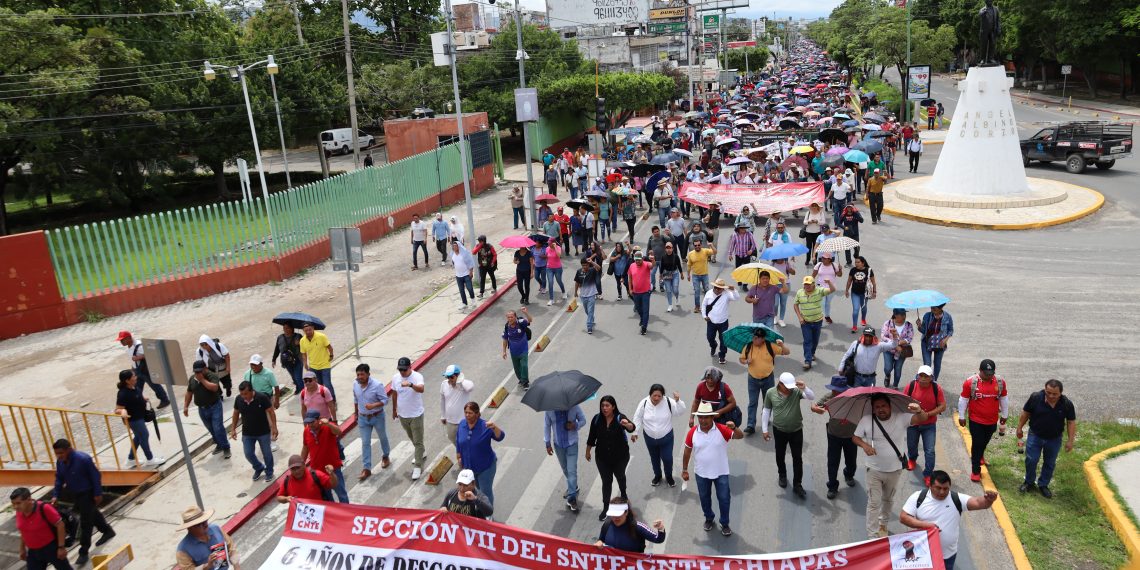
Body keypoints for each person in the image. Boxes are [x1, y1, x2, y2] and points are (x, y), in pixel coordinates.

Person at [852, 395, 932, 538]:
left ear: (890, 406)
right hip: (873, 470)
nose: (881, 409)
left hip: (895, 470)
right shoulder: (866, 420)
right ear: (873, 409)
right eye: (877, 407)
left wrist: (919, 410)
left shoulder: (901, 418)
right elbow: (855, 437)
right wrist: (864, 445)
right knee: (874, 503)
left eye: (883, 406)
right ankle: (872, 535)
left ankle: (883, 524)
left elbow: (923, 418)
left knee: (888, 500)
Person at [900, 471, 999, 570]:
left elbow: (978, 503)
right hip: (923, 555)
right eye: (938, 488)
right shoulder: (918, 497)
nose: (942, 492)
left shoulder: (956, 498)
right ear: (930, 486)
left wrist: (988, 500)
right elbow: (904, 517)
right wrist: (926, 526)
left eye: (945, 489)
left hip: (947, 556)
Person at [682, 401, 744, 537]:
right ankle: (709, 518)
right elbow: (687, 451)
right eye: (701, 417)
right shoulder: (692, 432)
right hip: (701, 473)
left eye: (706, 417)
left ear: (712, 417)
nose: (703, 420)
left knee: (724, 498)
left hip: (721, 472)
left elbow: (740, 436)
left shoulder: (722, 429)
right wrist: (685, 470)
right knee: (704, 498)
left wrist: (734, 428)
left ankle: (725, 523)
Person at [52, 439, 115, 567]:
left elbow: (95, 476)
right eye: (57, 454)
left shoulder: (83, 459)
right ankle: (107, 531)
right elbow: (59, 478)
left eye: (61, 453)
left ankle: (83, 551)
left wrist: (98, 493)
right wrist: (55, 495)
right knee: (92, 513)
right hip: (75, 493)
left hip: (88, 493)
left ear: (69, 450)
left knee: (86, 522)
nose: (59, 456)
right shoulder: (60, 462)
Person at [1017, 379, 1077, 498]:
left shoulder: (1066, 404)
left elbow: (1071, 422)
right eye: (1048, 392)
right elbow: (1026, 413)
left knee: (1050, 463)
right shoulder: (1035, 398)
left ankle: (1043, 485)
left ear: (1060, 393)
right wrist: (1019, 428)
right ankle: (1028, 482)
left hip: (1054, 439)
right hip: (1035, 435)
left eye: (1054, 394)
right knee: (1031, 459)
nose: (1051, 396)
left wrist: (1070, 441)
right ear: (1045, 390)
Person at [761, 373, 816, 498]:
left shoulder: (796, 391)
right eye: (787, 386)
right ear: (780, 384)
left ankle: (797, 484)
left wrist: (805, 388)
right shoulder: (770, 393)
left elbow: (811, 397)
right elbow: (766, 411)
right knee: (780, 455)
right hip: (779, 430)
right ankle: (782, 475)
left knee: (797, 458)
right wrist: (765, 430)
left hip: (796, 430)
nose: (790, 389)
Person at [585, 395, 636, 521]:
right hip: (602, 458)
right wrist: (588, 451)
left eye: (607, 405)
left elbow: (632, 428)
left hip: (620, 457)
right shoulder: (597, 419)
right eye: (602, 405)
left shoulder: (620, 417)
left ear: (613, 407)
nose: (604, 408)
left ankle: (623, 495)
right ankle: (606, 507)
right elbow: (592, 437)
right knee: (606, 482)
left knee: (620, 476)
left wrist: (627, 424)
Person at [958, 358, 1008, 483]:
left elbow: (1004, 398)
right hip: (976, 420)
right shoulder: (970, 382)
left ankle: (980, 454)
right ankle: (975, 470)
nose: (989, 376)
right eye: (986, 374)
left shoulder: (1000, 382)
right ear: (980, 371)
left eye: (991, 374)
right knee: (977, 443)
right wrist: (961, 416)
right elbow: (963, 400)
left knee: (985, 441)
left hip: (992, 420)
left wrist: (1005, 415)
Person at [811, 375, 859, 499]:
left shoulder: (854, 398)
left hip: (851, 436)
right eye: (833, 389)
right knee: (832, 462)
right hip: (833, 435)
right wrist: (816, 409)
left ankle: (849, 474)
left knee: (851, 461)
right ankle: (832, 486)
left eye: (837, 390)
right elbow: (814, 406)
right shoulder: (830, 397)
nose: (834, 392)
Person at [631, 384, 686, 487]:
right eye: (654, 396)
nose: (656, 398)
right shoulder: (644, 403)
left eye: (659, 396)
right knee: (654, 458)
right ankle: (658, 476)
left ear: (663, 396)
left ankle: (669, 476)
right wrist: (635, 432)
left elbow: (680, 412)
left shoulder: (669, 402)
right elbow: (637, 417)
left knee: (667, 458)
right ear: (650, 395)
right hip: (649, 438)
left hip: (666, 438)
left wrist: (678, 401)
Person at [740, 330, 790, 434]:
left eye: (756, 338)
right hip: (752, 379)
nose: (754, 339)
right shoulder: (748, 347)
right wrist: (746, 361)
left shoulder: (770, 346)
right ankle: (750, 425)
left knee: (767, 402)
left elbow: (786, 352)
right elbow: (741, 359)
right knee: (752, 402)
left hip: (768, 378)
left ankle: (765, 419)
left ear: (762, 339)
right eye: (753, 337)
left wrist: (782, 345)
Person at [11, 486, 73, 570]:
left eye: (18, 503)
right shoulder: (19, 512)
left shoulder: (44, 508)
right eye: (13, 504)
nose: (15, 507)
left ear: (29, 500)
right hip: (33, 552)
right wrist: (22, 548)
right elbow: (23, 531)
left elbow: (60, 525)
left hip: (51, 548)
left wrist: (61, 547)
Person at [903, 365, 946, 486]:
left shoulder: (937, 388)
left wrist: (928, 414)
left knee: (930, 450)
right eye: (920, 375)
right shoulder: (911, 386)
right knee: (911, 444)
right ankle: (912, 458)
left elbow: (942, 406)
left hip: (929, 425)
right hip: (913, 423)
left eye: (925, 376)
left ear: (931, 378)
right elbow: (903, 401)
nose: (922, 378)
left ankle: (928, 474)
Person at [455, 402, 504, 506]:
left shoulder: (485, 426)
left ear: (477, 414)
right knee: (475, 491)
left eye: (470, 413)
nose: (467, 415)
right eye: (466, 412)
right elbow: (458, 441)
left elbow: (500, 437)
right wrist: (459, 456)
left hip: (485, 467)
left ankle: (488, 513)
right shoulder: (462, 424)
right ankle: (478, 510)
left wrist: (494, 427)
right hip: (469, 468)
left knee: (485, 492)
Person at [230, 380, 278, 482]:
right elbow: (235, 413)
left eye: (246, 393)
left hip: (263, 432)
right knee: (248, 454)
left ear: (252, 391)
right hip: (247, 433)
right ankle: (259, 467)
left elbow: (271, 412)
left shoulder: (262, 398)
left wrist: (274, 427)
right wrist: (233, 429)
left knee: (267, 454)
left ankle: (269, 472)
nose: (243, 396)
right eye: (241, 394)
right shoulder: (238, 399)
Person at [115, 370, 163, 467]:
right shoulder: (123, 394)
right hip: (134, 420)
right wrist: (122, 411)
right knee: (144, 435)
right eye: (133, 376)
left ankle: (131, 459)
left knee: (138, 437)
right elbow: (117, 409)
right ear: (127, 380)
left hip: (140, 416)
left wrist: (143, 399)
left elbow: (136, 395)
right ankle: (150, 459)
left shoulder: (134, 387)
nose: (136, 377)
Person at [545, 404, 587, 513]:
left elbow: (583, 420)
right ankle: (574, 486)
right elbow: (547, 426)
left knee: (572, 471)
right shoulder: (549, 410)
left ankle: (571, 497)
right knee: (565, 469)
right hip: (558, 445)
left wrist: (575, 425)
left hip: (572, 444)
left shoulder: (574, 407)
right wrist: (547, 443)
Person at [185, 360, 231, 459]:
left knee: (218, 428)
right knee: (211, 429)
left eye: (200, 371)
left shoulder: (212, 376)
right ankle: (219, 444)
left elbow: (214, 388)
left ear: (205, 369)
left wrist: (202, 380)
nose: (198, 374)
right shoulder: (192, 379)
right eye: (196, 372)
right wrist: (186, 406)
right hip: (202, 409)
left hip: (214, 406)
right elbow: (189, 393)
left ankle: (226, 447)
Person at [300, 411, 349, 503]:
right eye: (308, 422)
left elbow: (339, 432)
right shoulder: (306, 431)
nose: (310, 425)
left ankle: (346, 514)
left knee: (341, 493)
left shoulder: (327, 427)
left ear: (319, 420)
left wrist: (329, 424)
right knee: (326, 497)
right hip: (317, 471)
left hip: (333, 469)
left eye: (312, 422)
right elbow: (305, 447)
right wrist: (301, 463)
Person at [353, 363, 391, 479]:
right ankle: (366, 468)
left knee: (382, 437)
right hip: (363, 418)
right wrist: (356, 414)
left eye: (362, 374)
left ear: (368, 374)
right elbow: (355, 399)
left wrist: (374, 405)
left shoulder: (377, 385)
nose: (359, 377)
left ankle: (385, 456)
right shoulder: (355, 384)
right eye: (358, 374)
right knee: (365, 442)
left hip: (377, 416)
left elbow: (385, 400)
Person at [392, 356, 427, 481]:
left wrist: (411, 385)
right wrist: (394, 410)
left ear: (410, 367)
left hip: (416, 414)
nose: (402, 372)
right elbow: (394, 393)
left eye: (404, 370)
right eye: (400, 370)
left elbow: (421, 389)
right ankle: (421, 452)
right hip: (403, 415)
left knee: (417, 441)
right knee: (412, 437)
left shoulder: (417, 377)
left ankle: (418, 466)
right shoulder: (396, 378)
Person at [116, 331, 170, 408]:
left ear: (128, 338)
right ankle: (139, 403)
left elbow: (149, 354)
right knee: (137, 388)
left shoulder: (139, 346)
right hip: (137, 371)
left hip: (145, 371)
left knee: (155, 385)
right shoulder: (130, 346)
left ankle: (165, 400)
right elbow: (133, 360)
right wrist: (133, 369)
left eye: (122, 340)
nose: (121, 342)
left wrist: (138, 358)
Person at [175, 506, 239, 569]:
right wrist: (207, 566)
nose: (205, 525)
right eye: (199, 524)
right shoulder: (182, 550)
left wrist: (237, 567)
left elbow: (231, 547)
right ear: (190, 528)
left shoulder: (216, 529)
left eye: (205, 521)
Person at [794, 276, 836, 370]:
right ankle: (807, 361)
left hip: (817, 321)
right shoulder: (799, 293)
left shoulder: (819, 291)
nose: (807, 286)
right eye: (805, 284)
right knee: (807, 341)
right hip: (805, 322)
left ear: (813, 284)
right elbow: (795, 305)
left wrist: (829, 282)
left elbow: (832, 290)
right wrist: (800, 317)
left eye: (809, 284)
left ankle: (812, 353)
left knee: (815, 340)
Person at [594, 498, 666, 553]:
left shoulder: (638, 527)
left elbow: (658, 539)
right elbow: (601, 539)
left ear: (626, 512)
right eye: (613, 514)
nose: (615, 518)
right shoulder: (607, 525)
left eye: (618, 515)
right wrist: (599, 543)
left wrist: (661, 529)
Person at [701, 279, 738, 365]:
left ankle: (722, 355)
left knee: (723, 339)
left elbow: (736, 298)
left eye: (719, 288)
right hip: (711, 321)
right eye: (716, 287)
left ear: (722, 289)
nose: (717, 290)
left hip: (723, 322)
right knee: (710, 337)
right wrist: (704, 316)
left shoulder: (727, 294)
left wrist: (734, 290)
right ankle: (713, 346)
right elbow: (704, 305)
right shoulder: (709, 293)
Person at [439, 364, 474, 450]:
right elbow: (442, 400)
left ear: (457, 376)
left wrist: (460, 381)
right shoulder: (444, 385)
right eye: (448, 377)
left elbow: (470, 387)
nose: (449, 379)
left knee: (467, 441)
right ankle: (462, 452)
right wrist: (443, 415)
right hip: (450, 420)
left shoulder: (464, 385)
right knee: (451, 437)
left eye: (452, 377)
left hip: (464, 421)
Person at [299, 322, 335, 401]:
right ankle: (323, 400)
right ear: (303, 331)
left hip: (325, 365)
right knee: (318, 385)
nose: (308, 332)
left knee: (327, 384)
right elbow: (303, 353)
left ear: (313, 328)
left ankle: (332, 400)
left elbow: (329, 347)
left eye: (309, 330)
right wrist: (305, 363)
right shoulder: (302, 341)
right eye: (306, 331)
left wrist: (331, 355)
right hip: (313, 367)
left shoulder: (321, 336)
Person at [918, 304, 954, 381]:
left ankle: (934, 381)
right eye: (931, 307)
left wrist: (945, 339)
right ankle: (927, 381)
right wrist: (919, 326)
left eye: (934, 308)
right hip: (926, 343)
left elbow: (950, 330)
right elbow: (924, 331)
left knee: (937, 365)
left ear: (940, 308)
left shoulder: (947, 316)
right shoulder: (927, 316)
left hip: (940, 344)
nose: (932, 309)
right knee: (927, 365)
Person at [881, 309, 915, 388]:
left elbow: (909, 338)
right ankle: (887, 375)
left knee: (898, 370)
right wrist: (895, 345)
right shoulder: (888, 323)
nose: (904, 316)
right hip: (888, 350)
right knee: (888, 368)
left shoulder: (909, 325)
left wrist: (900, 343)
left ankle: (895, 386)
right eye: (902, 314)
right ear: (895, 315)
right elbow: (883, 337)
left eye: (904, 314)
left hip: (901, 352)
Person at [502, 308, 533, 390]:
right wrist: (504, 351)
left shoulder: (521, 322)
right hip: (513, 351)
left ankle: (525, 382)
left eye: (511, 317)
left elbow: (530, 320)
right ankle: (521, 379)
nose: (510, 319)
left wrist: (526, 313)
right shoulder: (506, 327)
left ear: (515, 317)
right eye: (508, 317)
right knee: (517, 368)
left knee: (524, 365)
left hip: (523, 349)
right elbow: (505, 339)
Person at [271, 324, 304, 399]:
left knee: (298, 377)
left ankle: (304, 394)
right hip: (286, 362)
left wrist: (299, 344)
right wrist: (274, 359)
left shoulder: (298, 336)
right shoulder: (280, 337)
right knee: (293, 377)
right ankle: (298, 388)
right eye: (284, 328)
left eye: (288, 328)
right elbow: (277, 349)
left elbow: (306, 346)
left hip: (298, 360)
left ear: (292, 328)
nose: (286, 330)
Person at [844, 256, 875, 332]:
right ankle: (854, 326)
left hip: (864, 294)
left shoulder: (869, 270)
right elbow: (849, 281)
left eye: (858, 262)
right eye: (855, 262)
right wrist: (847, 290)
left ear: (863, 263)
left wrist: (874, 292)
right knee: (855, 310)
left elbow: (873, 282)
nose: (856, 264)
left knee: (864, 308)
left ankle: (863, 319)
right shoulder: (853, 270)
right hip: (855, 293)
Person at [628, 250, 654, 335]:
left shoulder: (646, 264)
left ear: (642, 259)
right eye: (636, 260)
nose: (637, 261)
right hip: (636, 292)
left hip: (646, 292)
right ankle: (642, 319)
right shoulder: (632, 266)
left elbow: (652, 266)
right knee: (639, 309)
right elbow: (630, 278)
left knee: (646, 310)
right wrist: (630, 289)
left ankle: (644, 327)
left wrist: (653, 260)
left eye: (639, 260)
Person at [686, 238, 715, 315]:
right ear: (693, 246)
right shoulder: (690, 254)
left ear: (701, 245)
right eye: (695, 245)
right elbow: (689, 265)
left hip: (704, 274)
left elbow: (715, 252)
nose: (697, 246)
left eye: (699, 245)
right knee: (697, 292)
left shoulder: (705, 251)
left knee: (707, 291)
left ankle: (708, 306)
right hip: (695, 276)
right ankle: (697, 306)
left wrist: (711, 245)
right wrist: (688, 275)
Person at [811, 252, 842, 322]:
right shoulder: (818, 265)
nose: (823, 259)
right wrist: (810, 285)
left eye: (825, 258)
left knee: (828, 303)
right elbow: (813, 276)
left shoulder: (834, 265)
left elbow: (839, 275)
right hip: (820, 287)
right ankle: (820, 319)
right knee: (822, 303)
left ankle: (827, 316)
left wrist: (840, 269)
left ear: (829, 259)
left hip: (831, 287)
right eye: (822, 258)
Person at [574, 256, 601, 334]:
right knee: (587, 311)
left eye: (586, 265)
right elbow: (576, 282)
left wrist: (592, 262)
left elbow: (598, 268)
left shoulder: (592, 270)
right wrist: (575, 292)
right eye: (583, 265)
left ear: (588, 265)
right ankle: (591, 318)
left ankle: (589, 327)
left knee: (590, 311)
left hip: (592, 295)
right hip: (583, 296)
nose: (584, 267)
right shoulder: (579, 272)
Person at [450, 240, 476, 311]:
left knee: (469, 288)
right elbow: (453, 263)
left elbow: (470, 262)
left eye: (456, 246)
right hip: (458, 275)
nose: (454, 247)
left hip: (466, 274)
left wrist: (471, 271)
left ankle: (473, 299)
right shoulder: (452, 254)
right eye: (453, 246)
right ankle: (464, 303)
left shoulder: (464, 254)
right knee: (461, 290)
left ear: (459, 246)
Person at [545, 239, 567, 306]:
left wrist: (555, 247)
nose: (548, 244)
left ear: (553, 243)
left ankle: (563, 292)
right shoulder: (547, 248)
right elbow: (546, 257)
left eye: (550, 243)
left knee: (559, 281)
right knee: (550, 282)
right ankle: (551, 299)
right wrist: (547, 264)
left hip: (558, 268)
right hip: (549, 268)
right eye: (548, 242)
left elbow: (559, 256)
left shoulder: (558, 248)